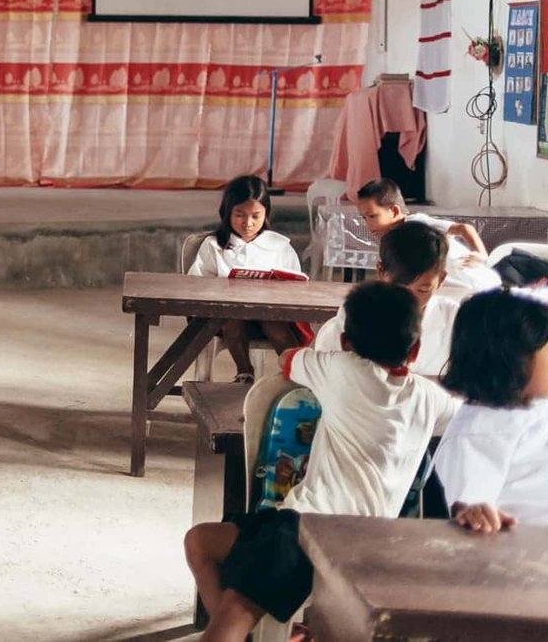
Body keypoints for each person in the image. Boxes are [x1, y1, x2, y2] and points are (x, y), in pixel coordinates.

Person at [182, 280, 457, 642]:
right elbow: (461, 415)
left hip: (310, 530)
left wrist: (326, 358)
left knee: (234, 612)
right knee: (201, 540)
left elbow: (287, 360)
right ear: (416, 349)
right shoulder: (428, 398)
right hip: (372, 541)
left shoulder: (339, 370)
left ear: (345, 343)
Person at [433, 287, 548, 531]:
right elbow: (470, 511)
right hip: (527, 554)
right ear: (513, 361)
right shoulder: (477, 433)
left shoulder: (536, 407)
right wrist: (472, 512)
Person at [188, 175, 305, 382]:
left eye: (256, 216)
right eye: (239, 215)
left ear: (266, 214)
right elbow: (196, 283)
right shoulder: (214, 246)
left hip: (270, 316)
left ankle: (298, 375)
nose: (248, 223)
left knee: (273, 323)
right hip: (228, 320)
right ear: (227, 213)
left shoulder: (280, 247)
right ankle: (245, 372)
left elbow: (298, 285)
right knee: (234, 318)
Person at [312, 221, 458, 378]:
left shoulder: (455, 320)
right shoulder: (350, 320)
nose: (407, 300)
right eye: (399, 288)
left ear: (441, 279)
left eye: (423, 290)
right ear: (381, 271)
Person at [355, 178, 498, 290]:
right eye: (364, 218)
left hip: (473, 283)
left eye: (372, 216)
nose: (368, 224)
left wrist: (481, 255)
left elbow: (464, 228)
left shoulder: (418, 223)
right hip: (447, 288)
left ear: (394, 211)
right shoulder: (391, 241)